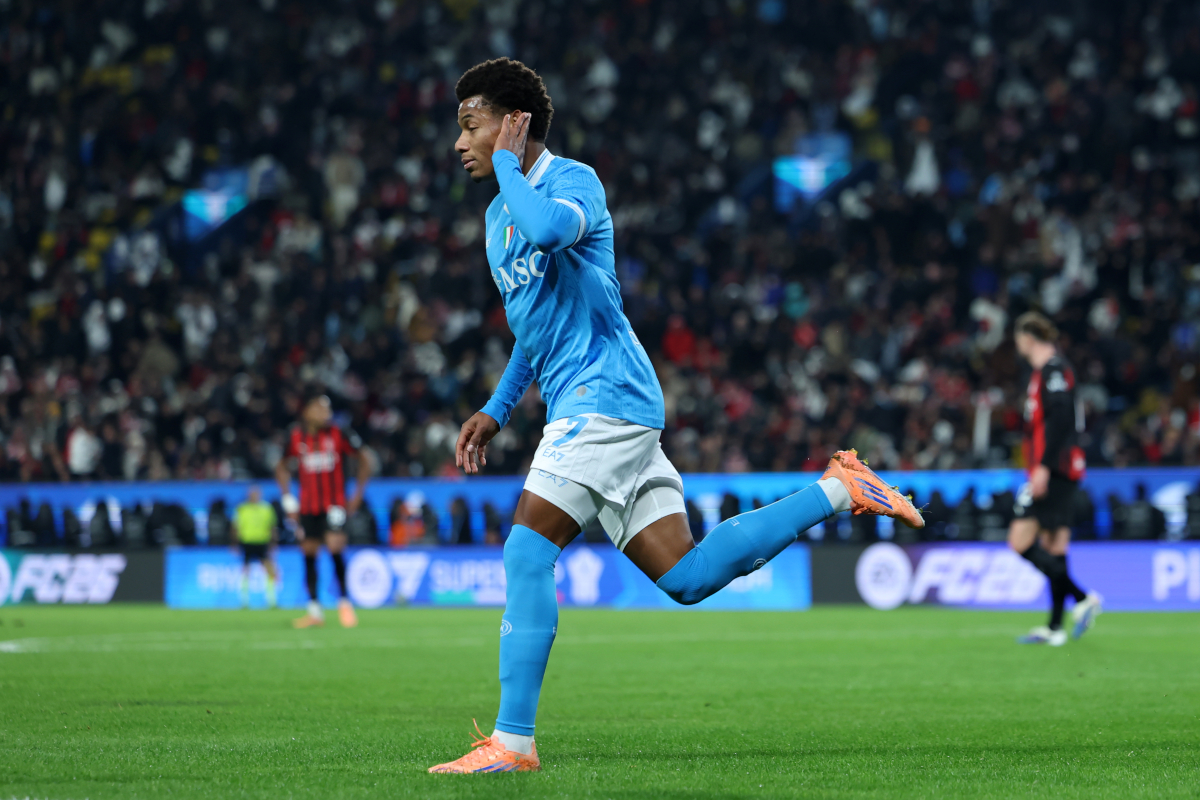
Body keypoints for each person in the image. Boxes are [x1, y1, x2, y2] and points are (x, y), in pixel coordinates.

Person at [428, 57, 924, 775]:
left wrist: (508, 160)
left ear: (514, 124)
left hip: (604, 398)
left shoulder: (570, 185)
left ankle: (513, 742)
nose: (458, 142)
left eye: (470, 124)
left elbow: (546, 233)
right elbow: (533, 330)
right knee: (686, 578)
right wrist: (496, 408)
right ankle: (839, 489)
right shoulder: (497, 216)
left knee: (527, 552)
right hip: (599, 406)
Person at [1007, 312, 1102, 647]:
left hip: (1056, 469)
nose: (1017, 344)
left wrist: (1044, 467)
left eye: (1019, 337)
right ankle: (1056, 627)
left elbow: (1061, 417)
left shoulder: (1053, 370)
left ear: (1029, 337)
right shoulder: (1045, 373)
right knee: (1054, 546)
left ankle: (1082, 599)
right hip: (1061, 469)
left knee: (1019, 540)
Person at [275, 392, 370, 629]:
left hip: (335, 504)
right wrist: (288, 500)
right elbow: (281, 467)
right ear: (307, 411)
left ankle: (345, 604)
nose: (325, 414)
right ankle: (315, 611)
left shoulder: (339, 434)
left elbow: (365, 460)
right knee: (308, 552)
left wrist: (357, 494)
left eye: (327, 410)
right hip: (308, 506)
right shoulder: (296, 437)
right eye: (319, 408)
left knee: (335, 544)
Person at [232, 486, 278, 608]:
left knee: (269, 570)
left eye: (257, 493)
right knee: (246, 569)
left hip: (262, 542)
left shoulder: (267, 509)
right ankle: (244, 600)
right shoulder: (242, 509)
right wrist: (234, 543)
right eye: (252, 493)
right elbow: (235, 527)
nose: (254, 495)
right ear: (248, 494)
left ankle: (271, 599)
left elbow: (272, 527)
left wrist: (273, 544)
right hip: (247, 542)